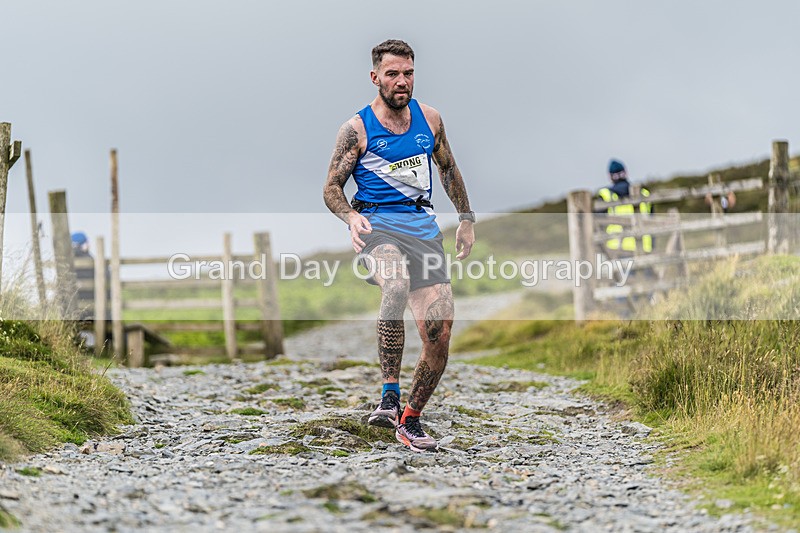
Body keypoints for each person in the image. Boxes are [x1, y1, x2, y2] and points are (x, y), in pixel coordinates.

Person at [323, 39, 475, 452]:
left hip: (422, 228)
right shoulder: (356, 129)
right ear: (376, 78)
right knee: (395, 283)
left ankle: (410, 419)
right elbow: (332, 187)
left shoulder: (430, 119)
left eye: (408, 73)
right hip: (378, 226)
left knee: (439, 331)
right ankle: (389, 394)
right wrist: (351, 216)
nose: (401, 81)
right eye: (392, 74)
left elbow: (448, 168)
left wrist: (465, 218)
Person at [597, 159, 653, 254]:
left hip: (617, 247)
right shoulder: (644, 193)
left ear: (610, 176)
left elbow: (597, 222)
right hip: (645, 246)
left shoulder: (605, 195)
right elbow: (653, 220)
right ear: (625, 172)